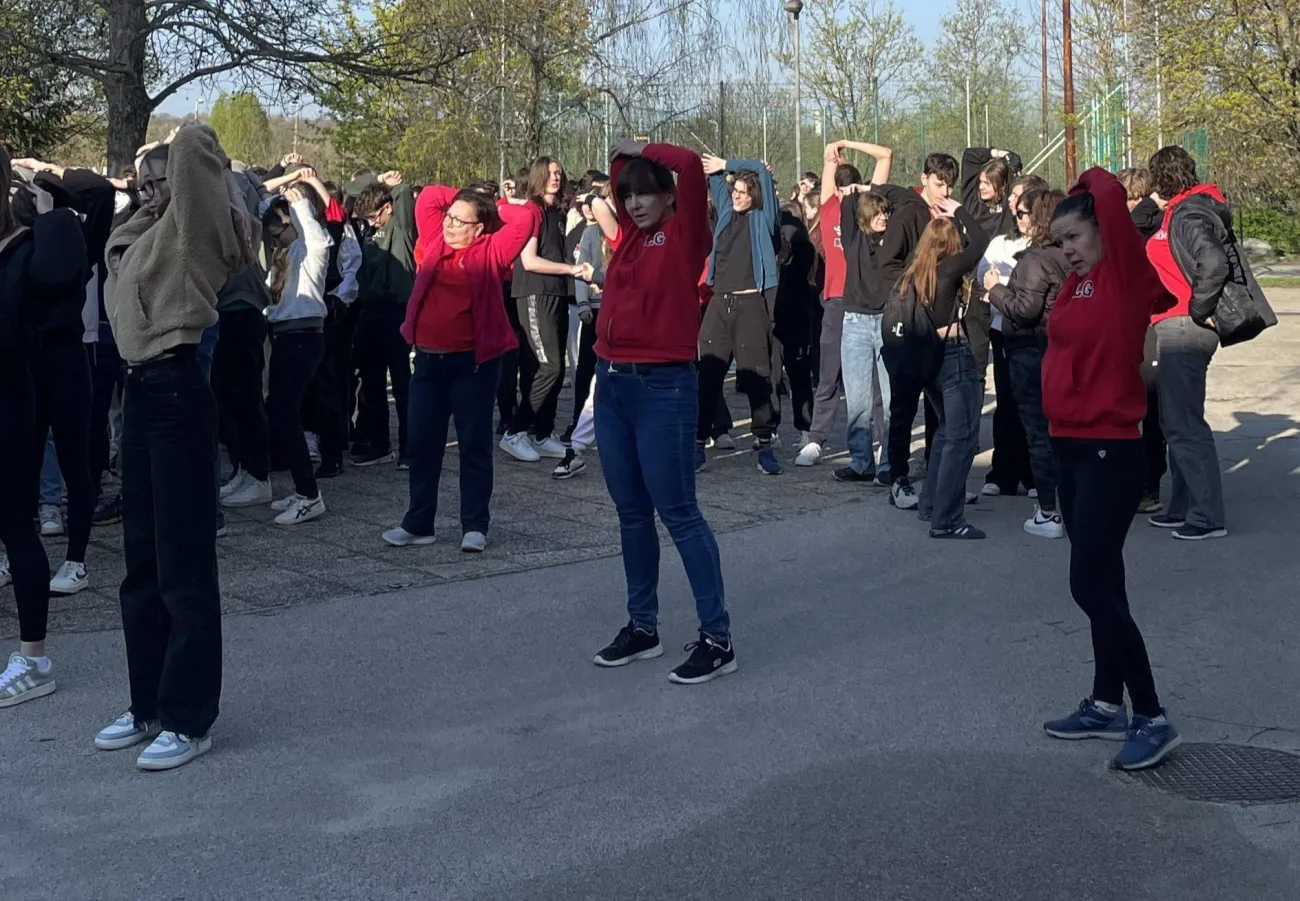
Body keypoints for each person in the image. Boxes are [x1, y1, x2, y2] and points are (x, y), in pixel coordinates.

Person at [97, 123, 249, 770]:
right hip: (140, 390)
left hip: (179, 387)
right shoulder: (144, 232)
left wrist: (173, 147)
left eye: (164, 180)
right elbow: (114, 257)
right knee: (141, 559)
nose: (154, 189)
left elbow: (194, 153)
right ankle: (148, 704)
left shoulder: (198, 231)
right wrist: (145, 194)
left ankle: (190, 718)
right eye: (145, 183)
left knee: (184, 562)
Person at [1040, 166, 1182, 771]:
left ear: (1104, 231)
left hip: (1110, 448)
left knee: (1089, 584)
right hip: (1069, 444)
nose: (1067, 250)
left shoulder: (1123, 275)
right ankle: (1105, 702)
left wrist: (1086, 183)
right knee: (1106, 581)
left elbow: (1109, 192)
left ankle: (1151, 714)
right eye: (1060, 242)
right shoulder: (1077, 284)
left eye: (1075, 237)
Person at [591, 139, 734, 685]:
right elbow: (618, 177)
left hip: (663, 387)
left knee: (679, 513)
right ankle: (642, 627)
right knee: (631, 512)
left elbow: (691, 166)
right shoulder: (628, 236)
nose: (634, 203)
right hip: (612, 383)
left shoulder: (684, 235)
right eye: (628, 196)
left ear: (669, 196)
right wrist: (624, 160)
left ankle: (717, 639)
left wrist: (641, 147)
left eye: (646, 194)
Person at [382, 182, 542, 551]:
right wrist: (464, 198)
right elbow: (429, 197)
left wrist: (489, 204)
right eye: (450, 217)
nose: (450, 224)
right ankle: (419, 522)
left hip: (472, 365)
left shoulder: (493, 250)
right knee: (423, 443)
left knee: (473, 444)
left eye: (460, 221)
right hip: (428, 361)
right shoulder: (435, 240)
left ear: (479, 228)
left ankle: (474, 524)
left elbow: (526, 217)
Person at [0, 146, 88, 708]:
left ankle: (33, 659)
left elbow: (62, 270)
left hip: (12, 400)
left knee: (16, 525)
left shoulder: (31, 247)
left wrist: (50, 204)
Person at [13, 157, 115, 595]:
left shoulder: (72, 239)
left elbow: (103, 193)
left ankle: (76, 560)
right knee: (23, 461)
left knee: (75, 461)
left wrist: (53, 182)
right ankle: (17, 551)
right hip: (33, 363)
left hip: (67, 361)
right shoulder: (22, 247)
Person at [1144, 147, 1229, 540]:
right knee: (1173, 422)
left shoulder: (1191, 210)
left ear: (1161, 176)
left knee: (1185, 424)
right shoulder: (1178, 209)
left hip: (1184, 327)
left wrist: (1197, 308)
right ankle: (1182, 506)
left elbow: (1214, 262)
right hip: (1172, 325)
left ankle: (1207, 516)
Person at [894, 200, 990, 538]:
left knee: (946, 433)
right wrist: (960, 211)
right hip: (953, 354)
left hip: (926, 359)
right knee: (961, 438)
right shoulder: (947, 270)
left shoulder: (913, 274)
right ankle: (947, 519)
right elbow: (981, 241)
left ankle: (931, 504)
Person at [986, 187, 1069, 539]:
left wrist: (995, 288)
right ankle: (1067, 504)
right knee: (1061, 430)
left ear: (1038, 217)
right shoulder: (1072, 255)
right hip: (1060, 348)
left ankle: (1048, 511)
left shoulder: (1036, 259)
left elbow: (1026, 309)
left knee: (1038, 431)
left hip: (1032, 349)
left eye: (1022, 213)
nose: (1017, 219)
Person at [880, 152, 959, 511]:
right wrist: (909, 290)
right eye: (940, 183)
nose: (945, 190)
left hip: (937, 325)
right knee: (903, 407)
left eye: (950, 185)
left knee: (937, 408)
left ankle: (937, 477)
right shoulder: (910, 212)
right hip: (910, 323)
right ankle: (897, 477)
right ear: (925, 178)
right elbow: (886, 263)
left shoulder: (947, 215)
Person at [697, 153, 782, 475]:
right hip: (720, 303)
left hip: (750, 305)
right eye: (735, 191)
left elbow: (760, 170)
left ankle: (764, 443)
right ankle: (698, 442)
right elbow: (716, 179)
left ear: (755, 195)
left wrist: (727, 164)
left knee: (756, 377)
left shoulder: (763, 217)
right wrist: (717, 171)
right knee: (707, 376)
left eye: (745, 192)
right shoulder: (725, 213)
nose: (738, 196)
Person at [500, 157, 585, 463]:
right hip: (534, 293)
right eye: (549, 173)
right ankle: (515, 432)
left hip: (557, 293)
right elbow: (530, 260)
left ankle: (543, 434)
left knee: (555, 369)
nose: (555, 178)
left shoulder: (556, 212)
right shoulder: (532, 211)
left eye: (558, 173)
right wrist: (571, 269)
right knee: (549, 366)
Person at [261, 184, 332, 524]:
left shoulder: (311, 250)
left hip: (303, 337)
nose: (278, 236)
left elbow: (318, 238)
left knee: (284, 413)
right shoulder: (283, 258)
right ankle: (301, 488)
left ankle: (309, 495)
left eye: (282, 228)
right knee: (280, 413)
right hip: (283, 337)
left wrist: (300, 204)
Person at [831, 144, 897, 484]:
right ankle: (861, 462)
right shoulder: (854, 238)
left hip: (887, 321)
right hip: (856, 321)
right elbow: (846, 197)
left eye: (886, 212)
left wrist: (872, 190)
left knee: (891, 399)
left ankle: (889, 463)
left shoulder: (896, 239)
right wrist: (846, 171)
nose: (884, 217)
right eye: (878, 213)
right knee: (857, 400)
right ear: (866, 215)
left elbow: (890, 178)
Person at [981, 173, 1048, 499]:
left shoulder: (1045, 247)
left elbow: (1026, 294)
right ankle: (1003, 472)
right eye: (1013, 201)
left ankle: (1036, 475)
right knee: (1007, 402)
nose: (1013, 205)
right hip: (1004, 331)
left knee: (1034, 405)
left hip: (1037, 333)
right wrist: (1000, 288)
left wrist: (1002, 286)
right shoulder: (1001, 242)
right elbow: (984, 277)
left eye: (1020, 201)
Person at [351, 171, 416, 467]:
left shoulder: (400, 227)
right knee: (372, 381)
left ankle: (409, 448)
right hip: (371, 309)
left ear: (388, 207)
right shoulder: (369, 231)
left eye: (375, 217)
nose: (372, 223)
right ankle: (378, 444)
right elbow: (350, 189)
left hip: (397, 310)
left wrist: (393, 185)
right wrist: (376, 179)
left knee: (401, 381)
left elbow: (404, 192)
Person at [554, 191, 617, 479]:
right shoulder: (591, 234)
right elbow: (584, 270)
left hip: (623, 311)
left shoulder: (636, 234)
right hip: (597, 307)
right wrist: (582, 303)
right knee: (591, 372)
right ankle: (578, 436)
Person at [1118, 167, 1166, 514]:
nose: (1128, 207)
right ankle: (1135, 480)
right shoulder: (1122, 232)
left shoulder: (1148, 228)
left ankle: (1149, 485)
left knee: (1149, 409)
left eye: (1133, 200)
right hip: (1129, 325)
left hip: (1149, 325)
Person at [961, 147, 1024, 236]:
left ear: (1002, 186)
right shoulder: (974, 204)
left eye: (987, 183)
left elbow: (1012, 167)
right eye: (981, 182)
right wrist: (1001, 153)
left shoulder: (1009, 208)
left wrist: (1009, 159)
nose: (981, 187)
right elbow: (970, 156)